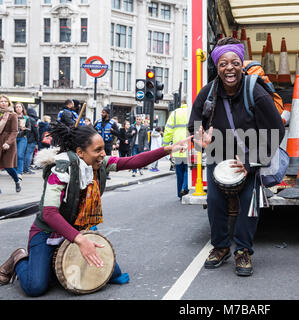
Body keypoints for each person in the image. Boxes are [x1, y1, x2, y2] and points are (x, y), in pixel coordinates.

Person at [0, 121, 191, 296]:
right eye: (97, 150)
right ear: (80, 152)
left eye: (103, 149)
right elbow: (49, 214)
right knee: (36, 287)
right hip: (47, 232)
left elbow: (134, 161)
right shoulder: (60, 170)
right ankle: (20, 259)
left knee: (112, 274)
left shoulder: (100, 164)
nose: (103, 154)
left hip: (79, 229)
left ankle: (48, 264)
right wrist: (81, 240)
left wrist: (168, 149)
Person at [188, 37, 285, 276]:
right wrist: (201, 141)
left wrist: (252, 160)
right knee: (215, 203)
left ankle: (243, 251)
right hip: (217, 155)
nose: (229, 68)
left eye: (234, 62)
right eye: (223, 63)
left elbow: (277, 129)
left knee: (249, 205)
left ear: (241, 64)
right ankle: (220, 247)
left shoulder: (256, 91)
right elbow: (194, 127)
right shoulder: (207, 93)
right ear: (217, 67)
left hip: (249, 157)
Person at [163, 101, 189, 198]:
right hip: (189, 146)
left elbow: (168, 130)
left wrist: (165, 145)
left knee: (179, 172)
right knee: (188, 169)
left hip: (177, 147)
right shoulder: (191, 111)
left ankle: (180, 194)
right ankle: (184, 188)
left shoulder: (175, 113)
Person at [0, 95, 21, 193]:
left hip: (9, 143)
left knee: (8, 166)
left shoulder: (13, 115)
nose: (3, 103)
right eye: (1, 101)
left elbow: (14, 131)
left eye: (5, 101)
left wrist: (8, 142)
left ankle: (17, 181)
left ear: (8, 103)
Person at [94, 107, 119, 179]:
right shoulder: (98, 122)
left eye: (103, 112)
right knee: (98, 158)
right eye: (102, 112)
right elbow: (92, 130)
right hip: (98, 143)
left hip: (108, 143)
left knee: (107, 158)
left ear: (107, 114)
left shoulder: (112, 123)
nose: (102, 114)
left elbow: (118, 133)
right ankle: (98, 172)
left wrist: (112, 131)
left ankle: (106, 173)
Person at [14, 102, 30, 179]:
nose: (18, 108)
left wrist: (25, 129)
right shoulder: (12, 117)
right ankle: (14, 171)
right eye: (16, 107)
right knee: (13, 155)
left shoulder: (26, 118)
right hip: (13, 138)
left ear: (22, 108)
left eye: (19, 107)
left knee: (20, 155)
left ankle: (19, 173)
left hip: (22, 138)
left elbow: (29, 129)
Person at [23, 108, 39, 174]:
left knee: (24, 154)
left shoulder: (25, 118)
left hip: (25, 139)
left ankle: (23, 168)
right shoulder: (32, 120)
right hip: (32, 140)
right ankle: (27, 169)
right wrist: (37, 140)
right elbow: (36, 131)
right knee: (29, 155)